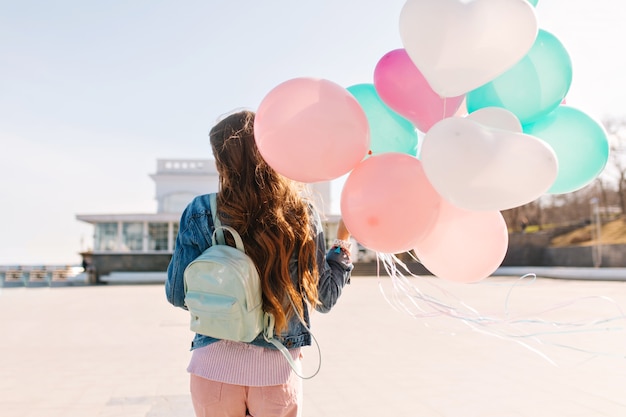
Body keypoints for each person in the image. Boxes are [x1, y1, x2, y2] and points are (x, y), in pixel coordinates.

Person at [165, 110, 353, 417]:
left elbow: (177, 294)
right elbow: (324, 298)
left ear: (222, 161)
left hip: (211, 369)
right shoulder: (300, 214)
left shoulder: (200, 211)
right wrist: (343, 242)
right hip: (277, 371)